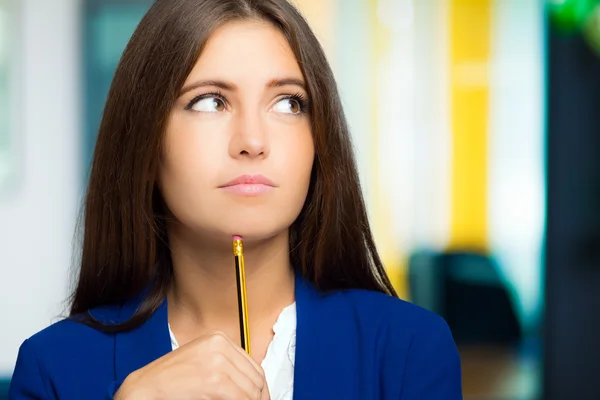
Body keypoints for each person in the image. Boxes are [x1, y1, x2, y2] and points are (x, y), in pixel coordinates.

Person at [9, 0, 462, 399]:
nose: (252, 141)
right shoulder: (53, 371)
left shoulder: (409, 350)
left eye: (288, 103)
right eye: (209, 102)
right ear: (145, 139)